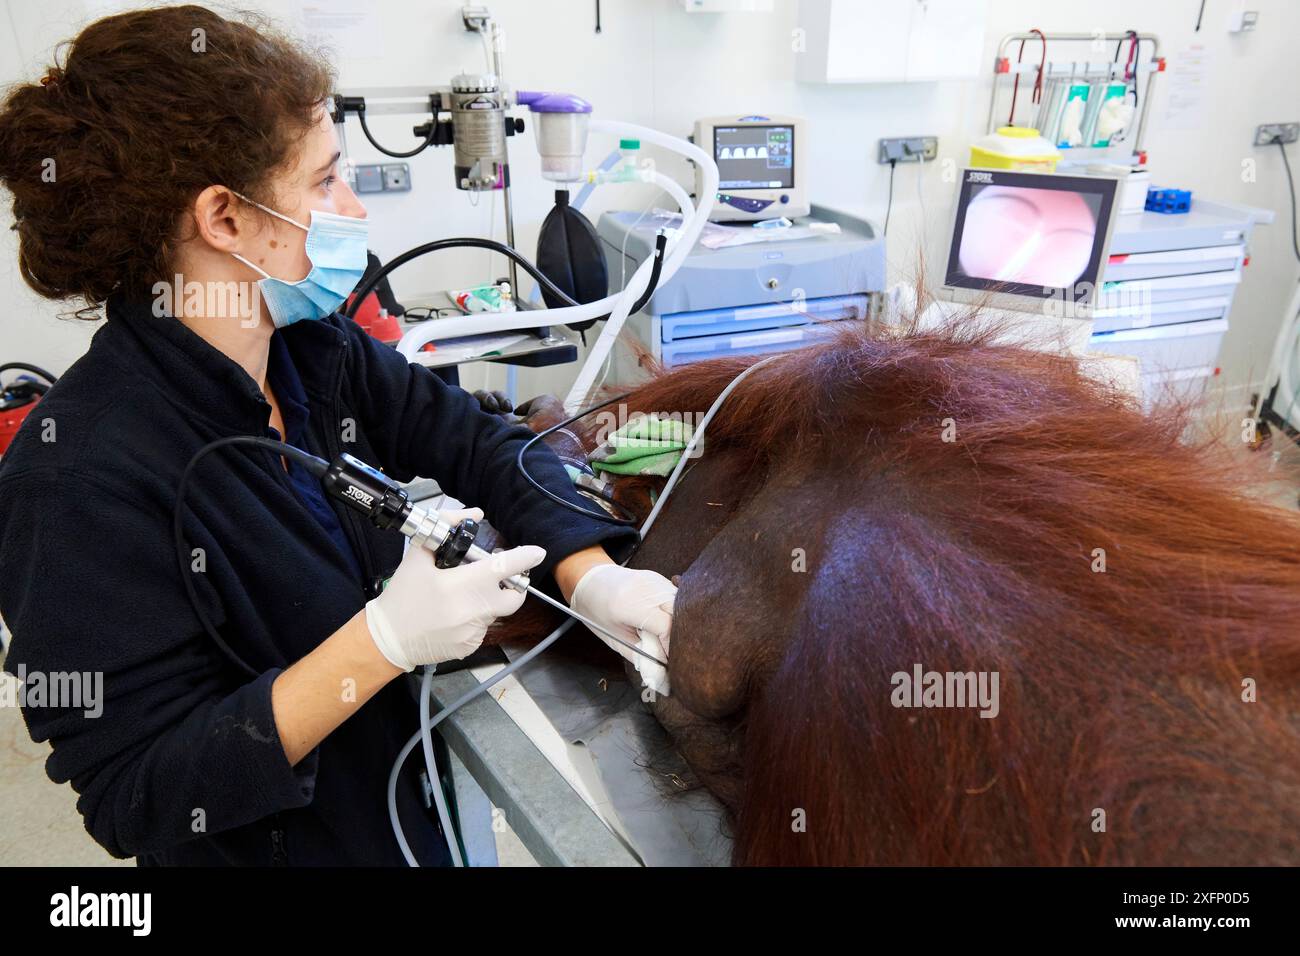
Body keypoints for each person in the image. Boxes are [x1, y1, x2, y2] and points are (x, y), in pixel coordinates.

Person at [0, 5, 675, 865]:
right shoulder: (76, 481)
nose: (352, 207)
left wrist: (594, 581)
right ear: (225, 218)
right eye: (324, 184)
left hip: (407, 814)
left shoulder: (312, 352)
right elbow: (141, 793)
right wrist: (379, 645)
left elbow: (480, 445)